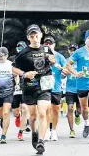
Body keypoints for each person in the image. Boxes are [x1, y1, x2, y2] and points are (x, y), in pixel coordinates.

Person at [12, 25, 56, 154]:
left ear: (41, 35)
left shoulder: (47, 49)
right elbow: (13, 68)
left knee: (43, 112)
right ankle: (35, 133)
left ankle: (41, 141)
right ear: (28, 38)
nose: (35, 39)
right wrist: (24, 74)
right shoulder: (23, 53)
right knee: (32, 116)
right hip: (29, 86)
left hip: (44, 85)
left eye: (37, 36)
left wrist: (53, 61)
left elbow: (52, 62)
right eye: (32, 36)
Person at [43, 36, 67, 141]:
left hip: (56, 87)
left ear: (54, 45)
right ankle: (47, 130)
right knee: (47, 109)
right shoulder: (40, 55)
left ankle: (54, 130)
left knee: (56, 110)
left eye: (50, 43)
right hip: (44, 87)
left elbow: (66, 70)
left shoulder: (60, 57)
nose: (48, 45)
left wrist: (62, 69)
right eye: (46, 43)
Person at [9, 41, 31, 141]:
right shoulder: (13, 59)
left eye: (22, 47)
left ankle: (20, 132)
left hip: (27, 86)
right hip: (15, 88)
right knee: (15, 112)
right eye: (18, 47)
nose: (20, 49)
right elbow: (13, 71)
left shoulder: (30, 58)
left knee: (25, 108)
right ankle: (18, 117)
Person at [64, 43, 81, 138]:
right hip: (69, 89)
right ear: (68, 51)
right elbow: (62, 75)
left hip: (80, 88)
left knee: (80, 110)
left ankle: (77, 115)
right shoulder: (66, 62)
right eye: (71, 49)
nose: (73, 51)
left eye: (75, 49)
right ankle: (72, 130)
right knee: (70, 108)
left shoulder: (80, 61)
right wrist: (64, 73)